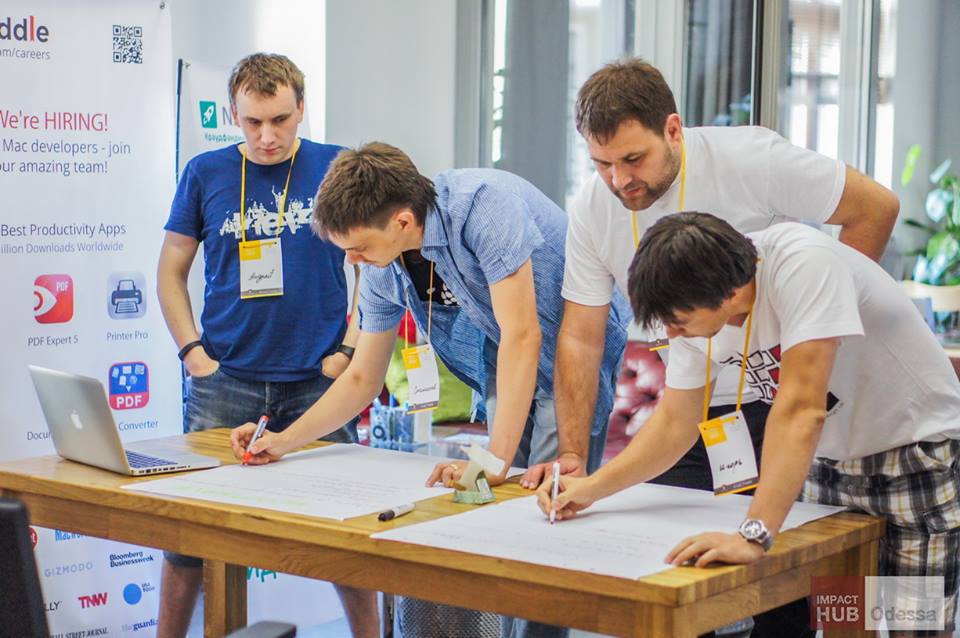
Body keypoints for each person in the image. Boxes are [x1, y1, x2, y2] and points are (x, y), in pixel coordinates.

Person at [521, 58, 899, 635]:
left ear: (673, 130)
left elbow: (875, 207)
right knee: (672, 573)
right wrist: (575, 457)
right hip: (691, 402)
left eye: (633, 159)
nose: (619, 181)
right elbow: (580, 333)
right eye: (602, 164)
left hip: (786, 398)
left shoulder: (750, 160)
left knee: (787, 592)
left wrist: (818, 325)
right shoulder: (595, 209)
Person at [231, 141, 628, 638]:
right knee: (496, 514)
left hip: (572, 356)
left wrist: (492, 459)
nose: (352, 259)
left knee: (545, 521)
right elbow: (363, 377)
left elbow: (525, 335)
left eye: (358, 246)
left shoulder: (483, 206)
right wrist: (283, 441)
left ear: (401, 221)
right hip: (502, 362)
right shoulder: (383, 264)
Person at [539, 212, 960, 637]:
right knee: (845, 623)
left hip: (913, 453)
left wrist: (753, 535)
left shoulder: (803, 264)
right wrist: (591, 489)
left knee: (914, 627)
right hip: (830, 464)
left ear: (731, 292)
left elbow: (802, 409)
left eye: (679, 321)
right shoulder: (695, 319)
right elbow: (674, 424)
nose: (672, 333)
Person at [156, 53, 378, 638]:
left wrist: (349, 349)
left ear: (301, 107)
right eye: (253, 122)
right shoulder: (205, 172)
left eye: (280, 119)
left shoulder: (335, 166)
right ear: (233, 114)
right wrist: (192, 353)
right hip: (225, 379)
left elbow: (373, 264)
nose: (267, 136)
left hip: (319, 381)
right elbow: (171, 269)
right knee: (188, 538)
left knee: (347, 534)